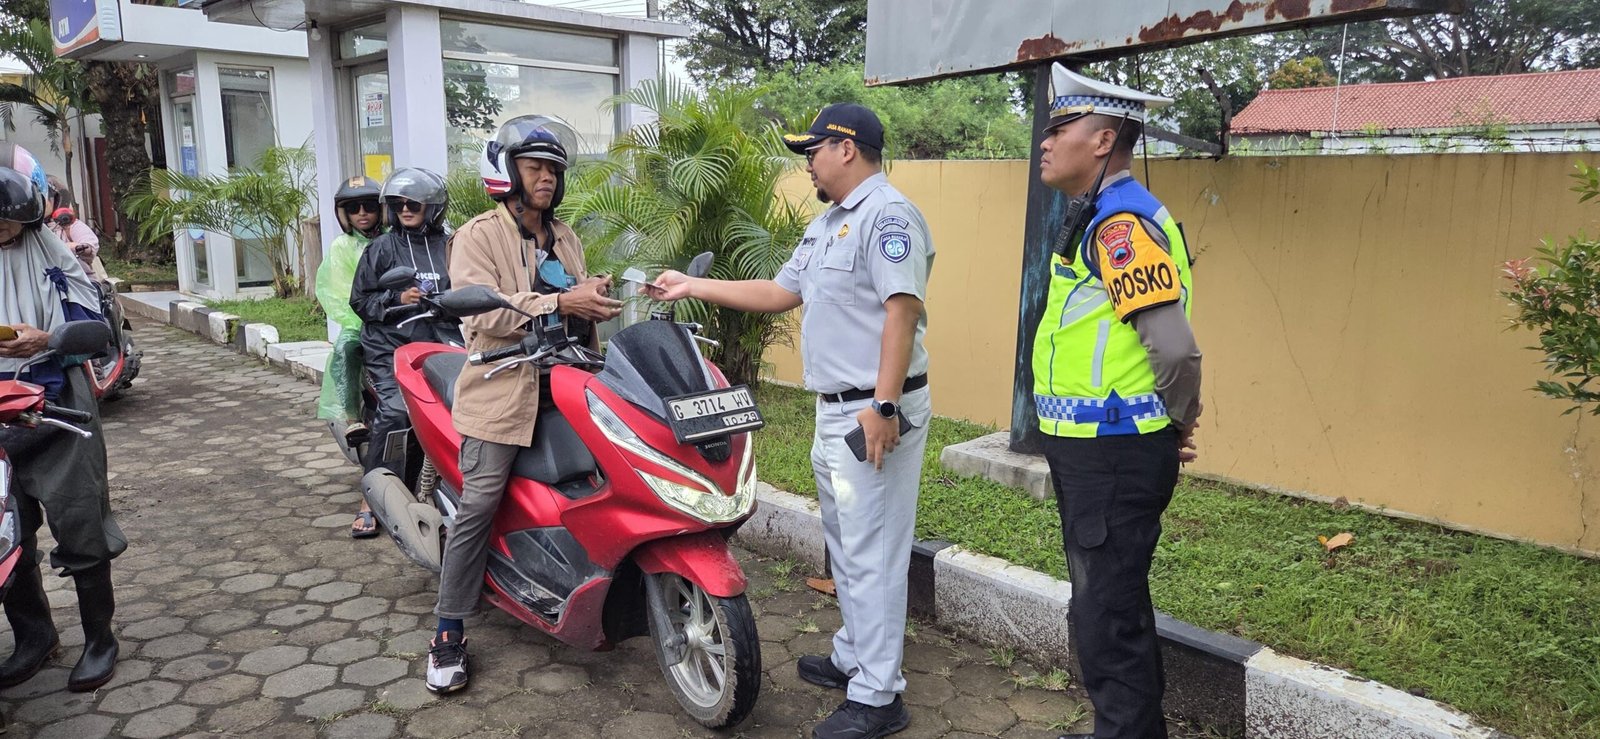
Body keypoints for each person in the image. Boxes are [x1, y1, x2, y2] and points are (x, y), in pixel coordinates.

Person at [648, 103, 933, 739]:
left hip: (873, 409)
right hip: (835, 408)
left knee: (874, 552)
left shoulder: (888, 216)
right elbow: (781, 292)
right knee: (848, 548)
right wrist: (693, 288)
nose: (807, 161)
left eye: (814, 150)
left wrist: (884, 406)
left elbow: (902, 311)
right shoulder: (830, 223)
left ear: (848, 149)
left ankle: (879, 696)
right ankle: (856, 657)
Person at [1028, 64, 1203, 739]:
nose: (1046, 142)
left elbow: (1175, 348)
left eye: (1060, 128)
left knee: (1105, 618)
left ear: (1103, 140)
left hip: (1114, 455)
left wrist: (1177, 420)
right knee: (1112, 607)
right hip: (1102, 452)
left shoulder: (1120, 227)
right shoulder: (1102, 215)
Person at [424, 115, 621, 694]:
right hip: (500, 388)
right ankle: (448, 629)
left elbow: (576, 303)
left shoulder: (565, 235)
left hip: (567, 385)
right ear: (508, 172)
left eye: (553, 169)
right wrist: (562, 300)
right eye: (534, 167)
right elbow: (483, 311)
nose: (546, 178)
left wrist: (601, 297)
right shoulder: (478, 234)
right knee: (480, 502)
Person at [0, 143, 126, 693]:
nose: (4, 231)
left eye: (10, 222)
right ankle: (34, 636)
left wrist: (48, 339)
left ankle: (100, 638)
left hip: (57, 405)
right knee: (8, 534)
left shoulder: (52, 254)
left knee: (80, 522)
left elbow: (96, 330)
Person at [350, 167, 456, 478]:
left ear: (433, 207)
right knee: (397, 410)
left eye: (413, 204)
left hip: (442, 341)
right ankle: (376, 490)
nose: (405, 210)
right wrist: (397, 300)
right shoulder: (382, 247)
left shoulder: (451, 246)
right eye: (398, 205)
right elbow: (360, 301)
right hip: (391, 345)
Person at [315, 174, 384, 538]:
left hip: (401, 327)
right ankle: (352, 414)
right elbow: (337, 293)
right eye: (353, 208)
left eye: (370, 207)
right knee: (346, 347)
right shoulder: (343, 248)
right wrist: (367, 317)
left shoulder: (396, 242)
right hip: (364, 324)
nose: (362, 214)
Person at [47, 206, 101, 280]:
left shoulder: (77, 226)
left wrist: (79, 248)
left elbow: (89, 245)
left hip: (81, 275)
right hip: (56, 274)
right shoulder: (51, 229)